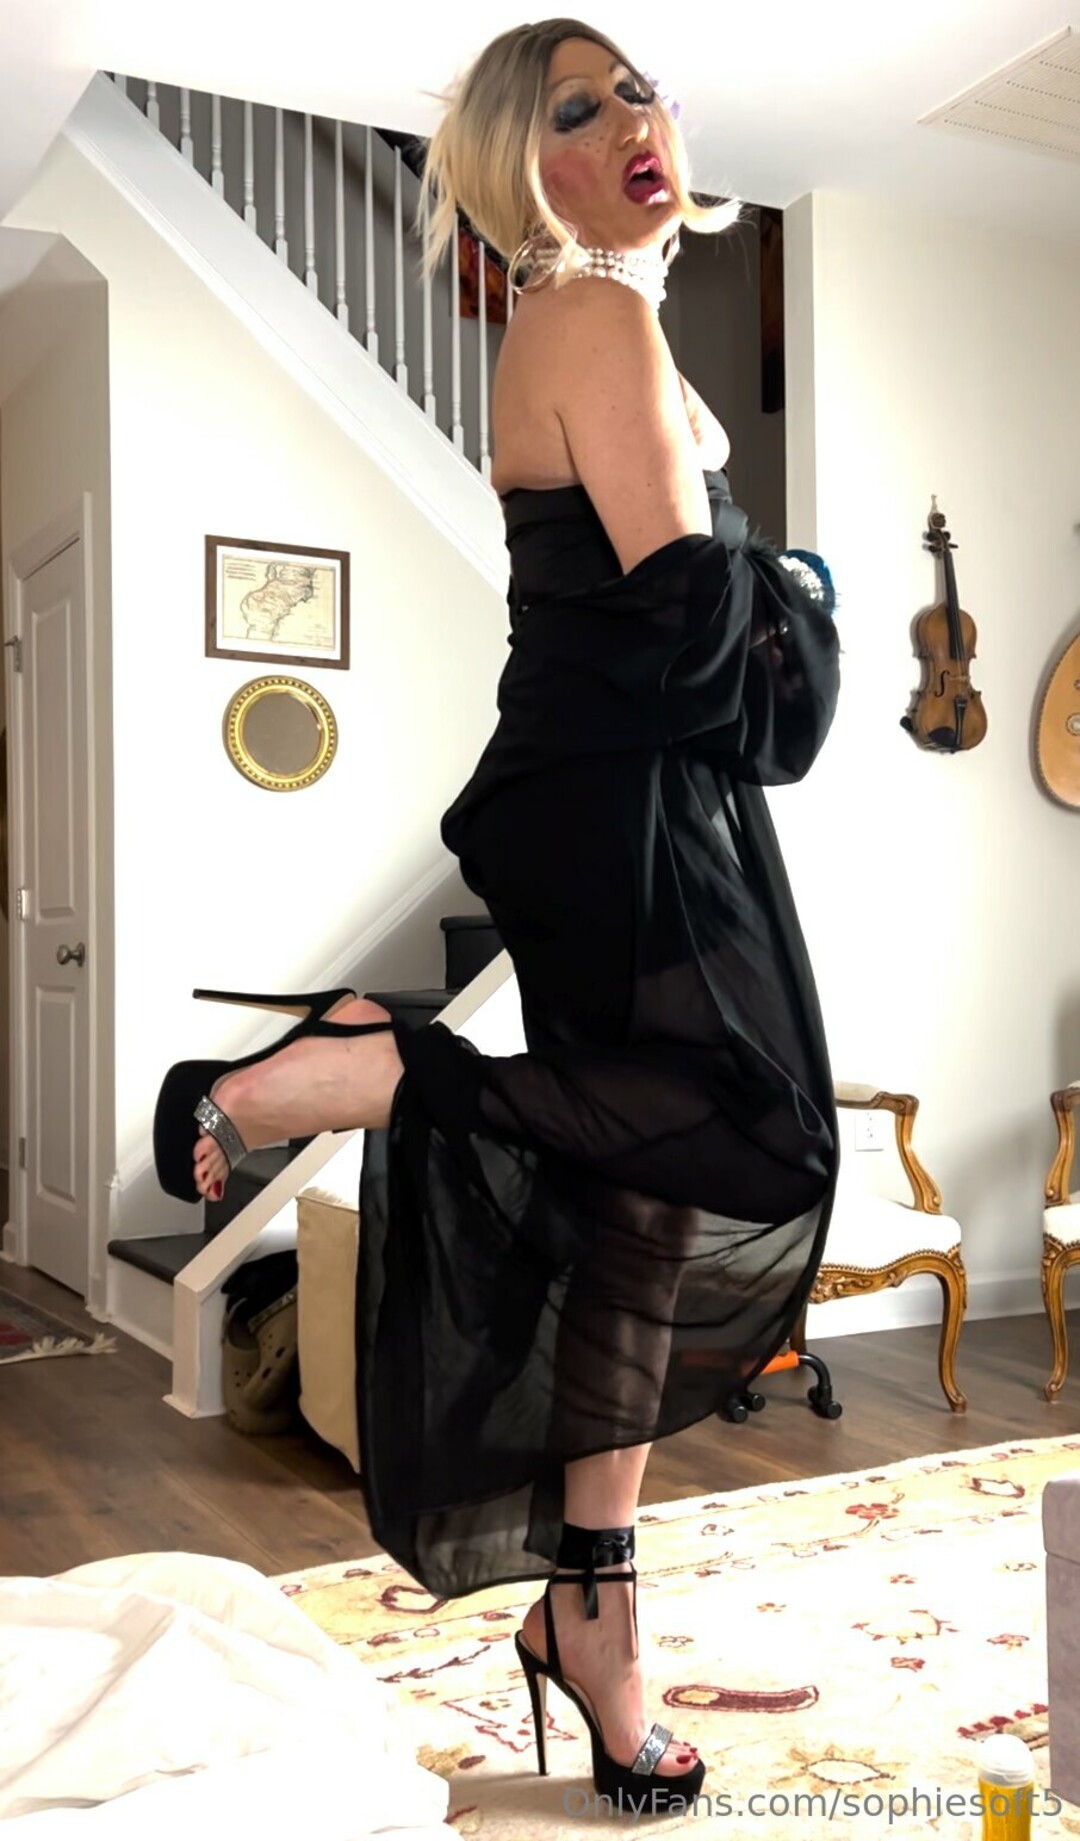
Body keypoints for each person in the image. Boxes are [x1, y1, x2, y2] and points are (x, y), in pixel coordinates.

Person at [154, 18, 841, 1814]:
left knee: (643, 1212)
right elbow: (704, 648)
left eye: (637, 90)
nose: (628, 123)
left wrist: (769, 611)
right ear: (511, 177)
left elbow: (701, 646)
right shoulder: (593, 315)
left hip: (612, 797)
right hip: (627, 810)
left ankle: (592, 1618)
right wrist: (799, 591)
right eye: (573, 112)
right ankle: (360, 1070)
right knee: (757, 1127)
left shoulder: (606, 318)